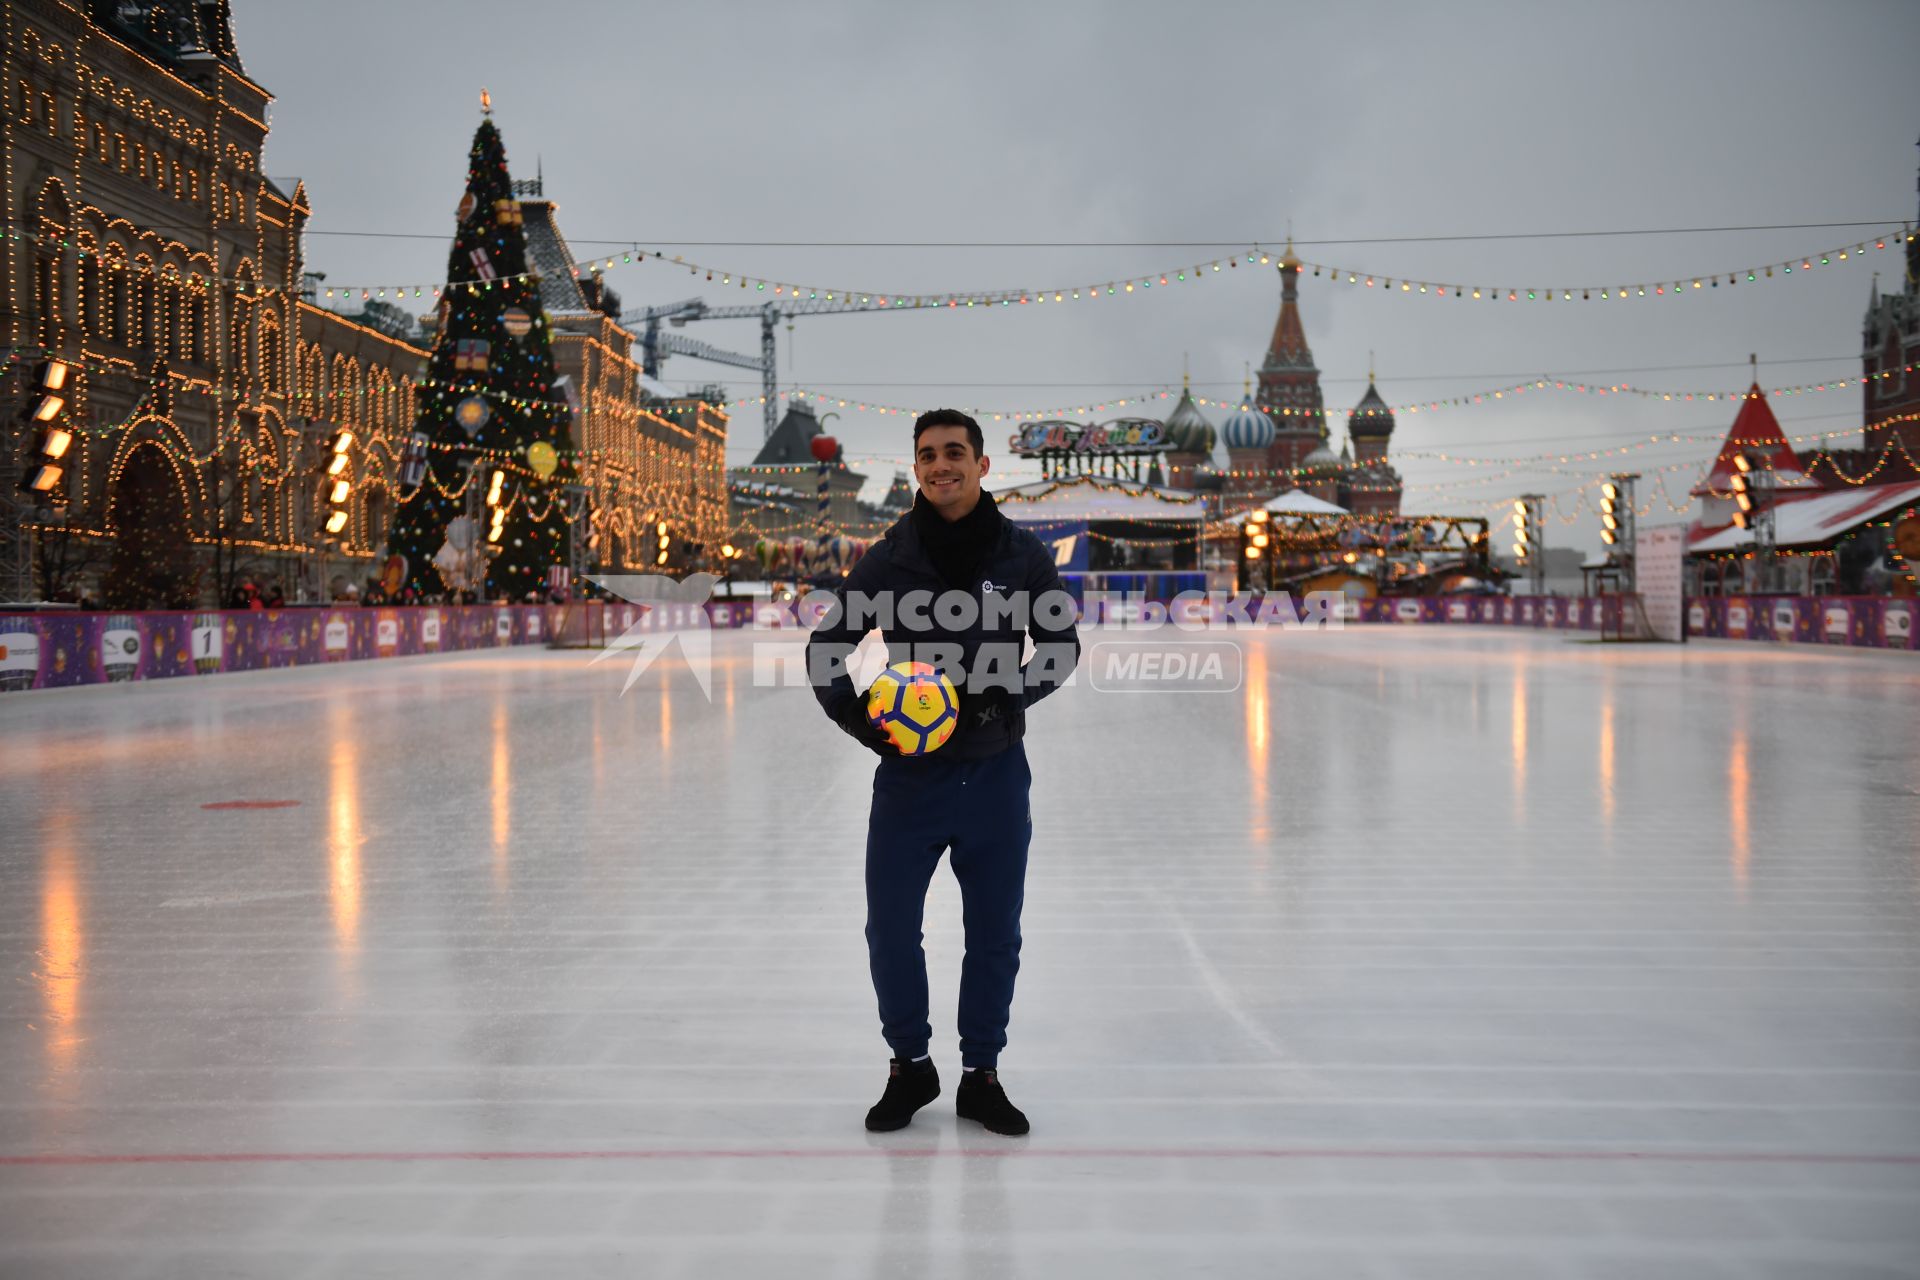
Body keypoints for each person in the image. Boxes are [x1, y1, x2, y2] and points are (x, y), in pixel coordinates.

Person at [807, 408, 1080, 1136]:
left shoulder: (1022, 556)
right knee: (891, 931)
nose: (939, 466)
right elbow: (825, 649)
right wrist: (871, 726)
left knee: (995, 935)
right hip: (910, 784)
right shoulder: (889, 557)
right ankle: (910, 1067)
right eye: (927, 455)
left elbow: (1060, 648)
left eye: (954, 453)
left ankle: (981, 1075)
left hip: (995, 777)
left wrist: (1004, 695)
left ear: (983, 465)